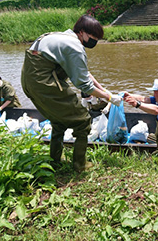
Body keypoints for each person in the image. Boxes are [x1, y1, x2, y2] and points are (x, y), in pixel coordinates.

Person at [21, 14, 122, 172]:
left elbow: (84, 73)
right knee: (83, 121)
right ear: (81, 32)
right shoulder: (75, 47)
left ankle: (55, 159)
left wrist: (103, 90)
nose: (94, 41)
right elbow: (85, 86)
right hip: (43, 83)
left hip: (29, 82)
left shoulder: (64, 37)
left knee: (58, 121)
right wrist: (109, 97)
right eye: (93, 37)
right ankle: (80, 164)